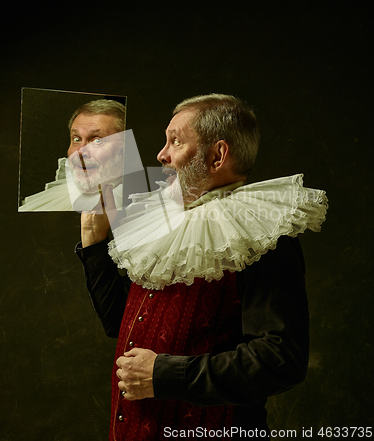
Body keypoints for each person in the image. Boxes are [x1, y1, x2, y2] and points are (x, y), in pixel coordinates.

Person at [75, 94, 328, 440]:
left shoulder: (264, 234)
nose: (161, 154)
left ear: (217, 155)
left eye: (175, 141)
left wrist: (164, 374)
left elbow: (281, 358)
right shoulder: (163, 220)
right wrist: (94, 244)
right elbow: (120, 323)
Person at [18, 99, 129, 212]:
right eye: (77, 139)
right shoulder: (57, 199)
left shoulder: (133, 207)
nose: (80, 152)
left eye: (97, 141)